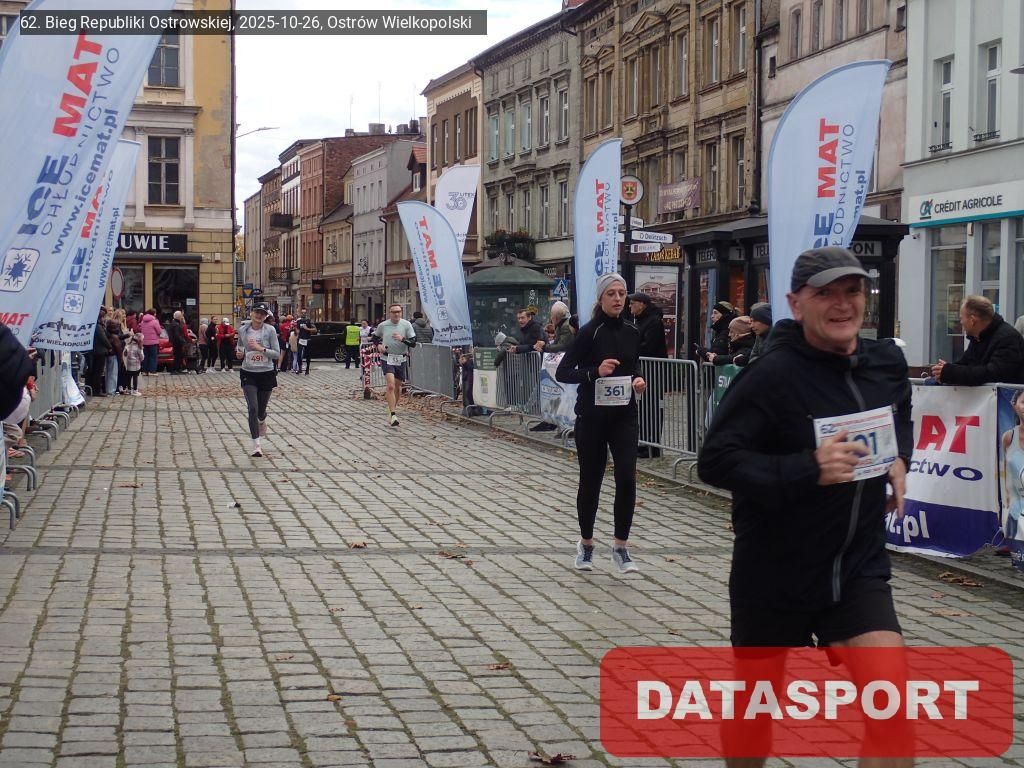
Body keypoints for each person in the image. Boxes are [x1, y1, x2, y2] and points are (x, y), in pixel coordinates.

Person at [696, 247, 913, 763]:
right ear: (796, 304)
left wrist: (899, 457)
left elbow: (899, 412)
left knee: (894, 712)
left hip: (855, 567)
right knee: (754, 716)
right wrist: (808, 468)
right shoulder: (771, 375)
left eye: (852, 291)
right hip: (773, 573)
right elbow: (716, 460)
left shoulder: (885, 363)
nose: (842, 304)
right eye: (826, 293)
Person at [555, 273, 646, 575]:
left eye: (622, 293)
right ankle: (586, 543)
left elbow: (633, 367)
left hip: (624, 417)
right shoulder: (589, 333)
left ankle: (620, 547)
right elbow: (564, 372)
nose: (618, 299)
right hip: (592, 418)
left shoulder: (632, 331)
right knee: (591, 481)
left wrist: (638, 381)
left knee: (627, 478)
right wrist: (595, 372)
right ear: (601, 298)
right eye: (612, 294)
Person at [930, 295, 1024, 385]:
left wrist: (951, 372)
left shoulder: (1007, 338)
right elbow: (965, 364)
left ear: (972, 320)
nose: (961, 323)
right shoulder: (978, 338)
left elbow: (993, 374)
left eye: (961, 319)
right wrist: (943, 372)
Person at [233, 305, 281, 457]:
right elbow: (240, 347)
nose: (259, 315)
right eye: (257, 312)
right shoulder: (243, 330)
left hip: (266, 373)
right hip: (249, 373)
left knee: (260, 411)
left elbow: (276, 354)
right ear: (251, 313)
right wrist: (239, 353)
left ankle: (262, 419)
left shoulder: (270, 330)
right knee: (252, 408)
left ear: (265, 316)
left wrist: (260, 349)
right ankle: (256, 446)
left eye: (262, 313)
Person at [629, 293, 668, 459]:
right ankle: (644, 442)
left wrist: (630, 350)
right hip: (644, 369)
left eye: (633, 303)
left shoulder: (654, 321)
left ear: (642, 304)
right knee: (644, 407)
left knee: (652, 406)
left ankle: (653, 445)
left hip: (653, 370)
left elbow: (648, 345)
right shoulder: (639, 320)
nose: (630, 306)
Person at [372, 304, 417, 427]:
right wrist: (378, 345)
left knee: (397, 387)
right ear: (389, 313)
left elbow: (413, 343)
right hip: (387, 358)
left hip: (401, 359)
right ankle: (393, 414)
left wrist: (402, 339)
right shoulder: (383, 325)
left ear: (401, 312)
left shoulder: (406, 325)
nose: (396, 314)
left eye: (398, 311)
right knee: (391, 385)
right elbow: (375, 337)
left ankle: (392, 408)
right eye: (394, 312)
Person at [1001, 390, 1024, 549]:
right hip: (1016, 508)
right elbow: (1005, 472)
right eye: (1023, 402)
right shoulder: (1008, 437)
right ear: (1014, 405)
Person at [734, 303, 772, 367]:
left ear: (765, 320)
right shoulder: (759, 336)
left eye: (754, 321)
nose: (751, 326)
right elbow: (753, 357)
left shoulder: (778, 337)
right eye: (751, 321)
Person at [90, 310, 110, 396]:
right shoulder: (98, 327)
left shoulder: (97, 326)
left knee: (96, 371)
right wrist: (109, 346)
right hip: (100, 351)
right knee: (98, 372)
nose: (104, 319)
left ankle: (95, 389)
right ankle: (97, 390)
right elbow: (103, 338)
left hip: (96, 350)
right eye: (103, 317)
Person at [294, 308, 317, 375]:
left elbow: (315, 329)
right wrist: (296, 330)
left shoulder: (309, 321)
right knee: (299, 354)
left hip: (307, 339)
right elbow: (297, 330)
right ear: (300, 313)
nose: (303, 314)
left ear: (306, 313)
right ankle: (300, 368)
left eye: (304, 313)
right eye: (302, 313)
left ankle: (307, 369)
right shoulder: (299, 321)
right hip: (301, 339)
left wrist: (307, 329)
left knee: (307, 355)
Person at [139, 309, 162, 376]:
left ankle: (145, 371)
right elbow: (159, 331)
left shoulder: (143, 321)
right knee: (153, 357)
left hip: (144, 342)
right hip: (153, 342)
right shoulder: (155, 321)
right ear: (154, 314)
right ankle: (152, 371)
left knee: (145, 357)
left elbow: (140, 329)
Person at [105, 318, 124, 396]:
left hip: (109, 356)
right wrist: (121, 358)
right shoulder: (115, 337)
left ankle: (108, 389)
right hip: (113, 356)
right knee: (113, 374)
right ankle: (111, 391)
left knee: (108, 373)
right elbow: (118, 348)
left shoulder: (108, 334)